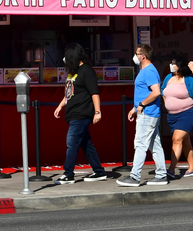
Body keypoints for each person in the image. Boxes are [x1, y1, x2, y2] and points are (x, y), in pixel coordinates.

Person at [53, 44, 107, 184]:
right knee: (85, 143)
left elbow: (94, 93)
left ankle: (68, 174)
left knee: (71, 142)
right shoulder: (73, 72)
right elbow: (69, 93)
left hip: (81, 113)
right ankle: (99, 171)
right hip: (72, 113)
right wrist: (60, 106)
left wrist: (97, 112)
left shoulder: (87, 71)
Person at [117, 44, 168, 187]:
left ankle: (134, 177)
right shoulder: (146, 71)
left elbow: (156, 92)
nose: (135, 56)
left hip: (147, 113)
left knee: (140, 144)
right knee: (155, 145)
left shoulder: (149, 71)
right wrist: (135, 108)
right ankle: (161, 174)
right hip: (148, 112)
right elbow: (146, 92)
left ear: (142, 56)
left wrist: (142, 104)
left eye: (137, 54)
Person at [161, 59, 193, 178]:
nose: (172, 65)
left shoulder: (188, 78)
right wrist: (167, 102)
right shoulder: (168, 78)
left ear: (180, 66)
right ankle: (192, 168)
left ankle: (171, 169)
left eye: (174, 64)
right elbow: (162, 90)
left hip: (187, 113)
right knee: (185, 141)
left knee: (176, 139)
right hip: (172, 116)